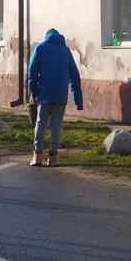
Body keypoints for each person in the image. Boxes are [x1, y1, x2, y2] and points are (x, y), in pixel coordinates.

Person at [27, 28, 83, 167]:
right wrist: (78, 100)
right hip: (60, 92)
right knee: (56, 124)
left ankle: (37, 155)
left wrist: (33, 92)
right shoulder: (66, 50)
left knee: (40, 123)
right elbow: (75, 75)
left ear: (46, 36)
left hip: (44, 93)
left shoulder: (40, 48)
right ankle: (53, 156)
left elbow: (32, 71)